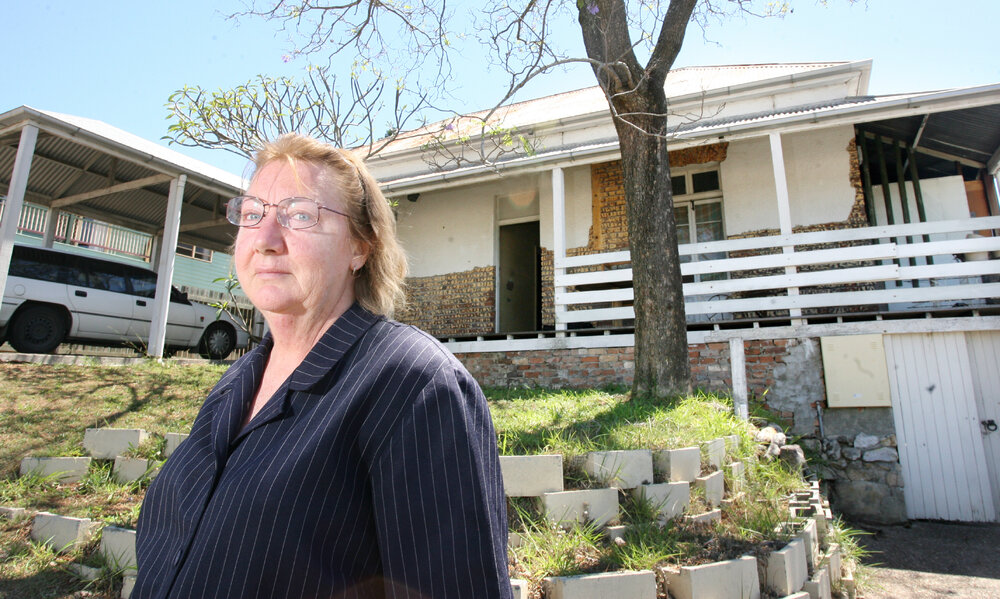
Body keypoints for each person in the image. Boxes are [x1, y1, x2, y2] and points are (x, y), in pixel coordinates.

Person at [133, 134, 512, 599]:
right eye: (253, 215)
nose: (266, 240)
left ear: (360, 248)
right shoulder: (234, 385)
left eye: (299, 215)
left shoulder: (412, 384)